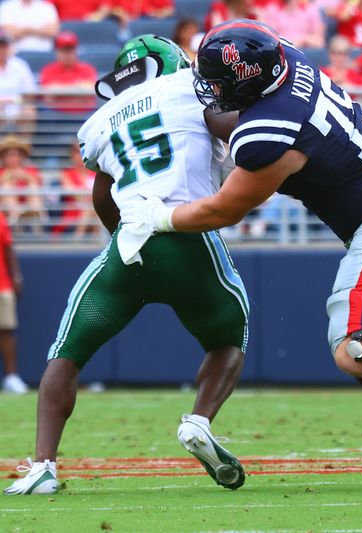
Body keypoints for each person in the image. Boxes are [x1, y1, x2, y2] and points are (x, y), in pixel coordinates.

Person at [120, 19, 362, 483]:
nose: (208, 89)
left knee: (356, 345)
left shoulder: (269, 133)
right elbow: (236, 109)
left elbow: (223, 209)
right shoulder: (289, 59)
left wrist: (159, 217)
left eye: (216, 82)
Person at [4, 35, 250, 496]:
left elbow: (101, 196)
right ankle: (198, 421)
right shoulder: (190, 86)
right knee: (229, 338)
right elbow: (230, 129)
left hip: (128, 242)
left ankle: (42, 465)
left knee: (66, 351)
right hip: (188, 232)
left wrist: (126, 239)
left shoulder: (101, 119)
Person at [39, 31, 98, 114]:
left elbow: (90, 91)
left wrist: (60, 92)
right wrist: (78, 89)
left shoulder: (87, 69)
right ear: (57, 52)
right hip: (55, 115)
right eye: (64, 50)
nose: (67, 54)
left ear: (76, 51)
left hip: (84, 114)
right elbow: (48, 95)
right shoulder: (48, 70)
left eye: (70, 50)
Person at [0, 209, 26, 394]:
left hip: (2, 283)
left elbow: (8, 248)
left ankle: (11, 377)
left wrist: (16, 277)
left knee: (7, 330)